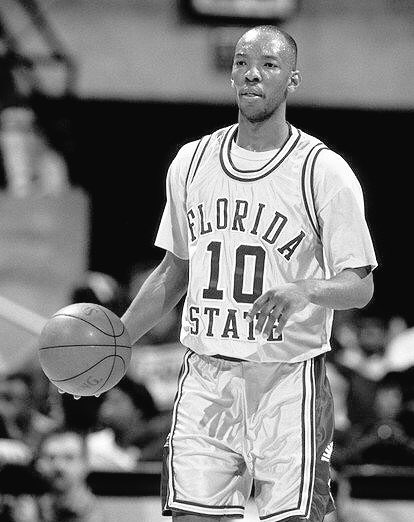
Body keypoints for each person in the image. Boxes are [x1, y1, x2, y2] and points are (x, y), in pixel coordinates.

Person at [122, 25, 377, 522]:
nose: (252, 74)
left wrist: (306, 289)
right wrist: (118, 338)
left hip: (288, 379)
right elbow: (176, 268)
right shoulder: (191, 162)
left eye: (269, 65)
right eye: (241, 62)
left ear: (293, 80)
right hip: (205, 375)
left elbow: (361, 285)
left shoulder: (322, 171)